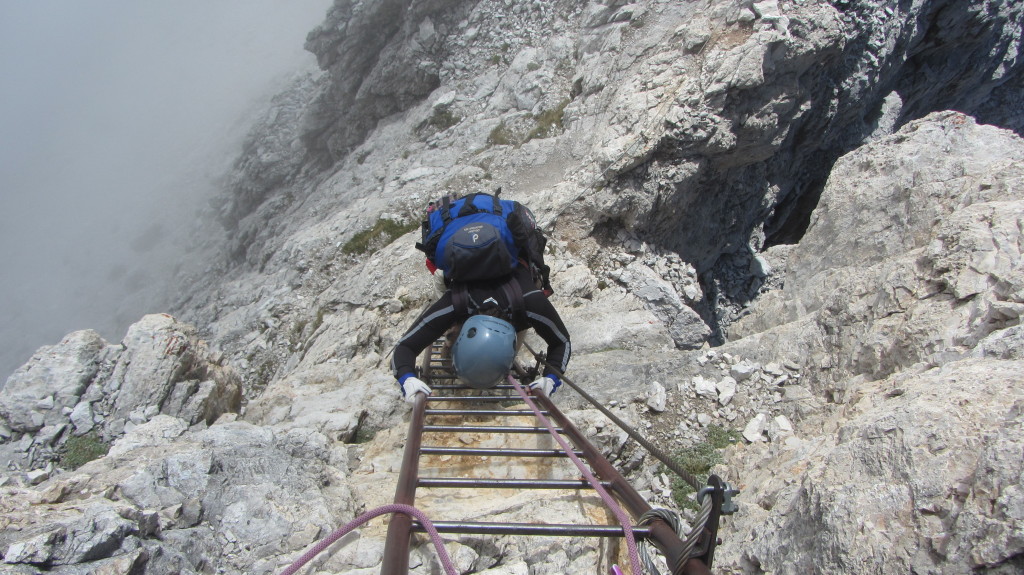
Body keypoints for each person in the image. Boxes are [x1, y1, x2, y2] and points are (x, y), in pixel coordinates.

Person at [391, 263, 570, 402]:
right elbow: (561, 342)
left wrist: (551, 378)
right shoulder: (454, 302)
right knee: (442, 309)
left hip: (519, 295)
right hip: (462, 286)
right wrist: (406, 378)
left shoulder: (531, 302)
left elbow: (405, 346)